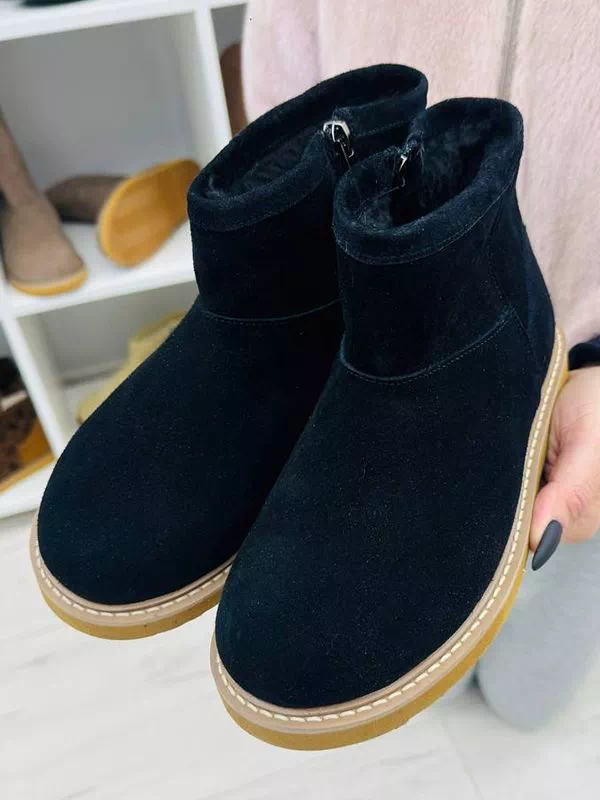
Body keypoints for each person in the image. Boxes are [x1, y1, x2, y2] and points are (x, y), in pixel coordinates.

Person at [240, 0, 600, 728]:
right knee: (414, 660)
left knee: (525, 695)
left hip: (580, 378)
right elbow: (288, 96)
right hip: (383, 354)